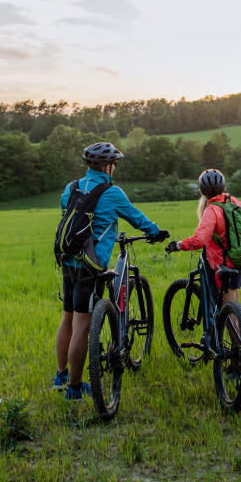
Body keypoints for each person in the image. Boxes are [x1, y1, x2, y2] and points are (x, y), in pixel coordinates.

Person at [54, 141, 168, 399]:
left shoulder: (69, 188)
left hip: (68, 261)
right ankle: (74, 388)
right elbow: (136, 217)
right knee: (82, 326)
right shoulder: (111, 192)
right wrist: (155, 232)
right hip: (90, 266)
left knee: (68, 319)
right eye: (114, 164)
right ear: (108, 165)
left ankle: (60, 376)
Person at [164, 169, 241, 376]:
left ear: (202, 191)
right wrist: (234, 234)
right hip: (236, 263)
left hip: (219, 266)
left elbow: (199, 240)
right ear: (223, 187)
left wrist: (180, 245)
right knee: (233, 310)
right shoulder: (232, 202)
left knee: (229, 316)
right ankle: (238, 360)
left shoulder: (212, 210)